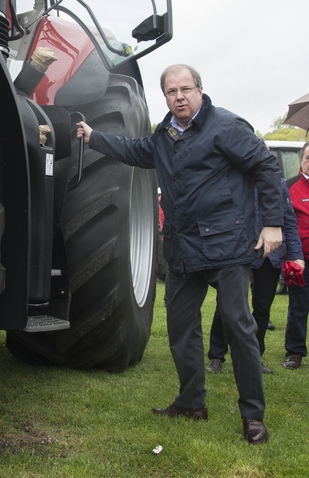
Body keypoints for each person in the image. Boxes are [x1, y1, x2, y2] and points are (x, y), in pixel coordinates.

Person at [77, 64, 283, 444]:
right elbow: (137, 151)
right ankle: (192, 403)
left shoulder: (225, 126)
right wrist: (95, 138)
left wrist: (272, 224)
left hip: (226, 247)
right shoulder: (165, 133)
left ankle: (253, 415)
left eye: (185, 89)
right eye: (171, 92)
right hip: (183, 250)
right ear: (166, 98)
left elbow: (266, 167)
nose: (179, 97)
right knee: (180, 329)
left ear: (200, 90)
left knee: (240, 329)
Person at [206, 179, 304, 373]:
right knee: (226, 304)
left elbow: (289, 221)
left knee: (262, 309)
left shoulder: (278, 184)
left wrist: (296, 255)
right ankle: (217, 356)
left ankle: (254, 358)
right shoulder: (231, 179)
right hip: (238, 253)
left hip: (270, 256)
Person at [283, 142, 309, 369]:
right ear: (301, 160)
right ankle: (294, 352)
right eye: (308, 158)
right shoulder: (290, 186)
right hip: (301, 259)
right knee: (299, 306)